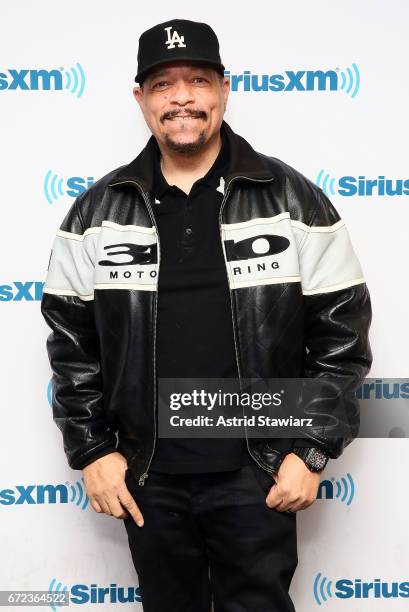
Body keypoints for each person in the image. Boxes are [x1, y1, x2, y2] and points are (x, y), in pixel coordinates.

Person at [41, 18, 372, 612]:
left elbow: (341, 335)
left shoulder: (291, 197)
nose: (183, 98)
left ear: (223, 88)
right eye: (164, 85)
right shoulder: (96, 211)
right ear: (141, 99)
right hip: (148, 477)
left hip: (258, 472)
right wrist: (92, 451)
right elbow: (72, 347)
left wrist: (310, 450)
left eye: (198, 79)